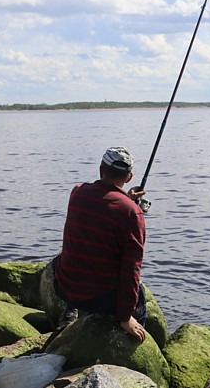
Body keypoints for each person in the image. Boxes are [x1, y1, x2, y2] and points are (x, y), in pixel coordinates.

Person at [53, 146, 148, 341]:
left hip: (64, 287)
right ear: (129, 177)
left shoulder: (77, 192)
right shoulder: (131, 213)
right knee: (140, 294)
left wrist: (126, 200)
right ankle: (127, 353)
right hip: (98, 298)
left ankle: (70, 311)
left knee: (61, 258)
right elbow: (131, 269)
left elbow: (103, 207)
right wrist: (124, 317)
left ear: (100, 169)